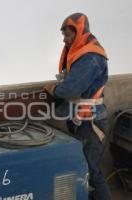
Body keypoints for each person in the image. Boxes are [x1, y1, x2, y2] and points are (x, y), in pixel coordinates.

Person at [44, 13, 111, 199]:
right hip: (80, 119)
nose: (65, 39)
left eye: (68, 35)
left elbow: (70, 89)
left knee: (92, 171)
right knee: (80, 168)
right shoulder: (78, 51)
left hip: (91, 123)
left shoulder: (90, 57)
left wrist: (55, 90)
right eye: (63, 35)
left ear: (80, 32)